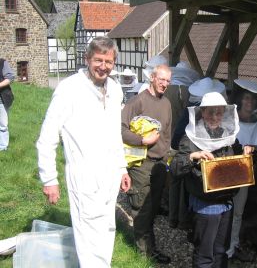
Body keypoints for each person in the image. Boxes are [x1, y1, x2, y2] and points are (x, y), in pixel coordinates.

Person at [37, 36, 131, 267]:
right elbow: (47, 137)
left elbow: (114, 135)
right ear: (87, 59)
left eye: (108, 62)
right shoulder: (69, 89)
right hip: (84, 175)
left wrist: (122, 169)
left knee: (107, 227)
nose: (103, 66)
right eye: (98, 60)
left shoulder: (116, 89)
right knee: (88, 234)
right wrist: (49, 178)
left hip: (109, 175)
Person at [172, 92, 255, 268]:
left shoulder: (228, 135)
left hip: (226, 203)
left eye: (218, 113)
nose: (214, 117)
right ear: (202, 112)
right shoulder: (191, 136)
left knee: (221, 251)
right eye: (210, 112)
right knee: (204, 254)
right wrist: (193, 156)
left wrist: (248, 152)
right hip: (205, 206)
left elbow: (240, 158)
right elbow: (175, 167)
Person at [121, 64, 172, 264]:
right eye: (162, 79)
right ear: (152, 77)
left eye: (168, 81)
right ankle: (142, 258)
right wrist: (142, 140)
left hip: (160, 165)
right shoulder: (137, 101)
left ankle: (151, 250)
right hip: (141, 163)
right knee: (141, 209)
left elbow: (167, 134)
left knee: (152, 210)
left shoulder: (167, 104)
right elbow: (120, 129)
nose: (165, 84)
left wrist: (167, 160)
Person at [227, 79, 257, 262]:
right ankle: (216, 244)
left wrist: (256, 149)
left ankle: (231, 247)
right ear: (240, 99)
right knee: (221, 210)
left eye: (253, 100)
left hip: (245, 173)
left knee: (238, 212)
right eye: (246, 98)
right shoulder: (229, 120)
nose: (249, 102)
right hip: (225, 171)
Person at [165, 61, 200, 229]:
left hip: (169, 141)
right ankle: (182, 219)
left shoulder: (167, 91)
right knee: (183, 183)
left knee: (173, 181)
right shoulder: (188, 94)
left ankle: (172, 218)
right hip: (184, 143)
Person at [0, 58, 15, 151]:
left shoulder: (2, 62)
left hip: (1, 98)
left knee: (2, 124)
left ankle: (3, 147)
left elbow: (10, 78)